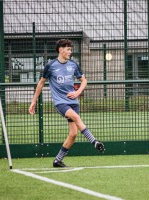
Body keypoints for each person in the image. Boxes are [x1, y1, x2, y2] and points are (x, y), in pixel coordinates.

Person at [29, 39, 105, 167]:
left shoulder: (73, 65)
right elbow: (41, 83)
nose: (70, 51)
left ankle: (57, 160)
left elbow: (84, 81)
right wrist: (33, 101)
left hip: (73, 102)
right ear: (60, 50)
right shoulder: (51, 66)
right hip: (61, 103)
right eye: (68, 49)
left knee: (73, 134)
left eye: (71, 49)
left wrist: (77, 92)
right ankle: (95, 142)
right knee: (75, 117)